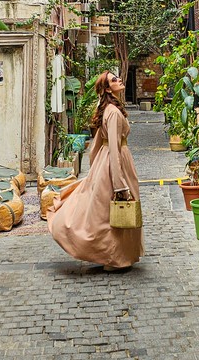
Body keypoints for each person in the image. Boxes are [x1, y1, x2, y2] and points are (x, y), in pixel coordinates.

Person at [47, 71, 144, 271]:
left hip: (106, 160)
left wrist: (96, 168)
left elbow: (96, 145)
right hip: (115, 161)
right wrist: (119, 183)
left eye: (117, 77)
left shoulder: (108, 109)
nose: (119, 80)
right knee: (115, 209)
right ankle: (116, 258)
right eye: (114, 80)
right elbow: (115, 148)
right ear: (108, 89)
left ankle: (115, 256)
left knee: (103, 213)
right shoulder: (114, 112)